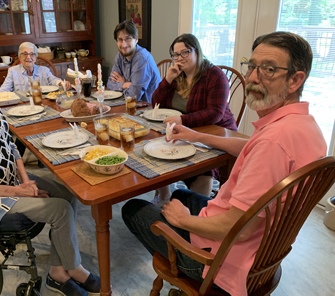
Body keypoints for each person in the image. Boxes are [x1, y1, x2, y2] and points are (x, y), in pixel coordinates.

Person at [122, 31, 327, 296]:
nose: (253, 77)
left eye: (268, 69)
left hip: (223, 261)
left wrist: (184, 222)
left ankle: (188, 273)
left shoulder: (273, 144)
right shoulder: (303, 126)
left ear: (295, 80)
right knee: (183, 193)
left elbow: (237, 228)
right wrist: (198, 136)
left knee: (133, 209)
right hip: (265, 248)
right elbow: (253, 147)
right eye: (252, 66)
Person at [0, 32, 99, 296]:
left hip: (12, 182)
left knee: (70, 193)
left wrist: (25, 179)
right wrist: (17, 191)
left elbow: (10, 146)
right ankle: (74, 268)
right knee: (61, 210)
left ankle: (57, 272)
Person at [151, 34, 237, 204]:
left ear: (197, 51)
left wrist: (183, 119)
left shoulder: (215, 75)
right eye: (176, 54)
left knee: (204, 168)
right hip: (185, 130)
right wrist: (168, 79)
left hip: (216, 130)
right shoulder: (178, 75)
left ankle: (199, 207)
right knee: (155, 146)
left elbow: (215, 113)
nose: (179, 58)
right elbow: (155, 104)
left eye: (185, 52)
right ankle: (164, 196)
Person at [107, 20, 161, 103]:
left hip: (150, 108)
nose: (124, 44)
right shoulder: (120, 55)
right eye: (120, 40)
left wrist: (124, 86)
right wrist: (126, 84)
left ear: (136, 40)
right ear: (116, 42)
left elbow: (133, 95)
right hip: (131, 105)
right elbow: (109, 84)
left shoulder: (141, 58)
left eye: (128, 39)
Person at [0, 41, 71, 92]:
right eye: (25, 54)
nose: (28, 57)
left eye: (32, 54)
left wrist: (61, 83)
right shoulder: (13, 71)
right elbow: (3, 91)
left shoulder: (44, 70)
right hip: (22, 106)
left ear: (36, 58)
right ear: (19, 57)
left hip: (42, 103)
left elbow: (54, 80)